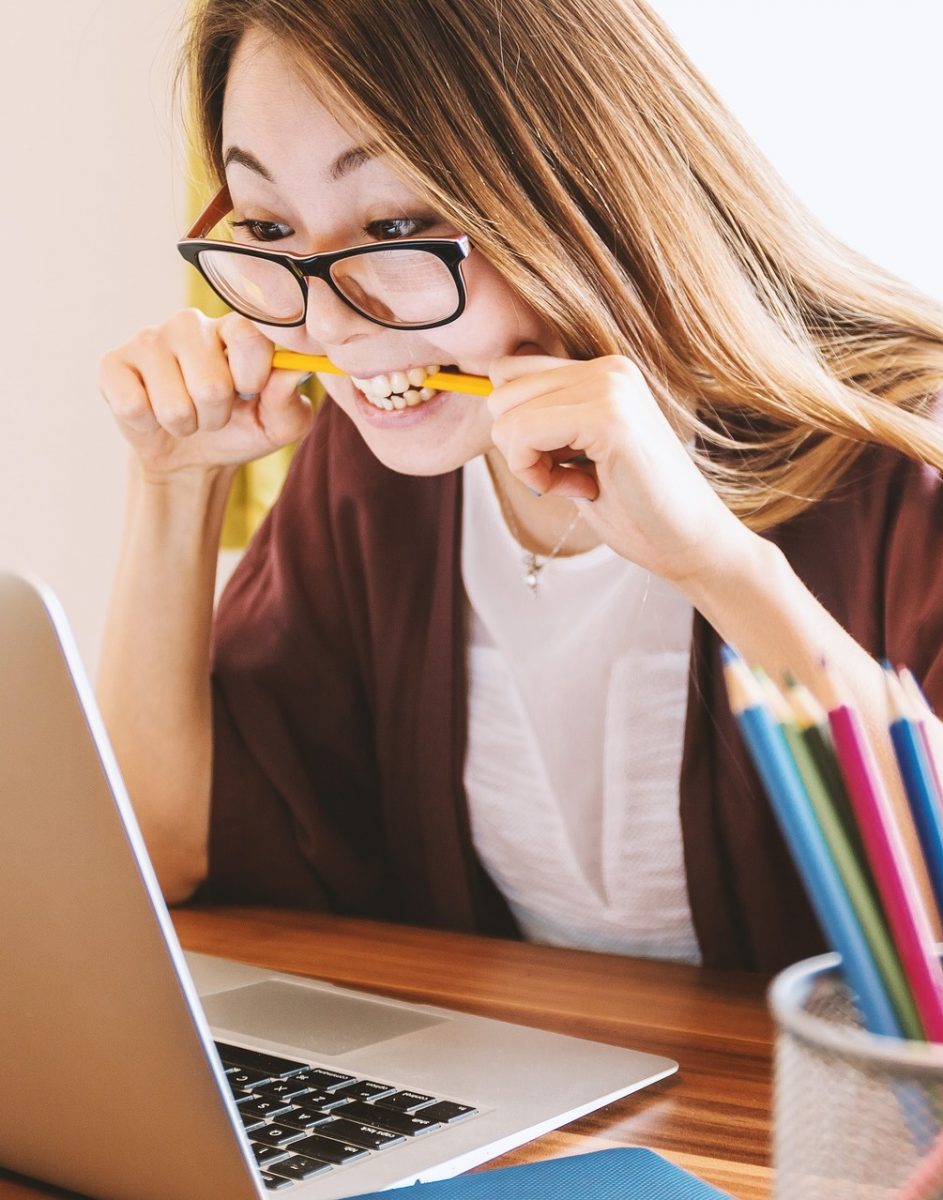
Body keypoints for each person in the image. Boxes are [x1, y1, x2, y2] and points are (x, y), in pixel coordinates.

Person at [98, 0, 943, 971]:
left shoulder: (902, 449)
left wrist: (717, 567)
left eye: (396, 222)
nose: (327, 322)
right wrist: (174, 484)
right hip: (535, 1106)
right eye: (270, 225)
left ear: (584, 182)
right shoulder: (379, 469)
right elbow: (160, 852)